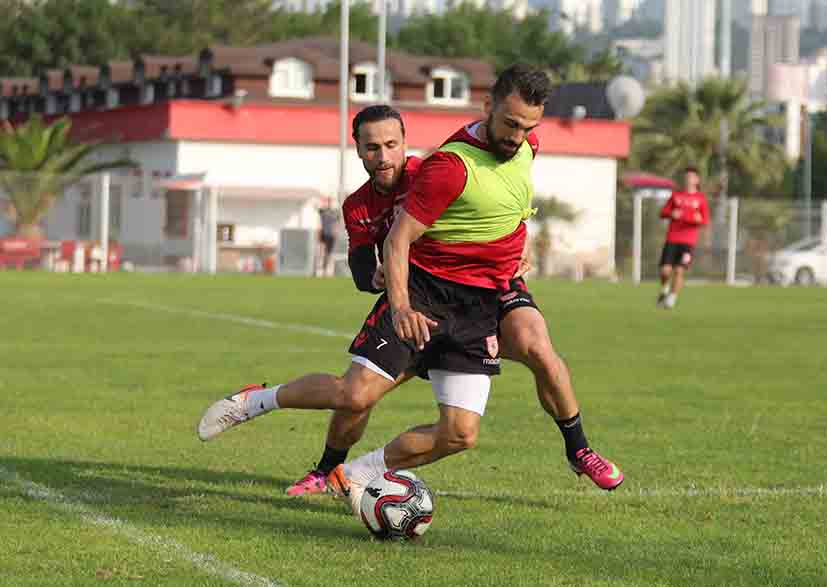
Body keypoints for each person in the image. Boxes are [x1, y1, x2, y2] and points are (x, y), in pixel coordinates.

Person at [198, 68, 623, 514]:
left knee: (463, 431)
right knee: (355, 396)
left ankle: (357, 474)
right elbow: (392, 244)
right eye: (511, 124)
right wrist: (395, 299)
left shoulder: (520, 149)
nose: (518, 136)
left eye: (527, 127)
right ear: (488, 108)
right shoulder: (441, 171)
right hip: (424, 294)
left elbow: (509, 201)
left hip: (480, 302)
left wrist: (521, 239)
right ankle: (257, 402)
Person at [656, 166, 710, 309]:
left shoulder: (701, 199)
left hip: (688, 242)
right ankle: (664, 288)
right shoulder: (676, 195)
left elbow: (705, 220)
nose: (688, 179)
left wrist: (698, 219)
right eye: (686, 177)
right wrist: (671, 214)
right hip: (672, 238)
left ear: (697, 180)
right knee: (665, 271)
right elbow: (662, 213)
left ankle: (672, 298)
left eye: (691, 177)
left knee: (680, 270)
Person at [315, 200, 340, 276]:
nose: (329, 203)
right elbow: (316, 206)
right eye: (328, 201)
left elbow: (337, 223)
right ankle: (320, 269)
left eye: (330, 202)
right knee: (322, 251)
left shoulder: (335, 213)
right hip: (323, 234)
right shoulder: (323, 211)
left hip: (331, 235)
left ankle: (326, 270)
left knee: (329, 254)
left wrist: (336, 231)